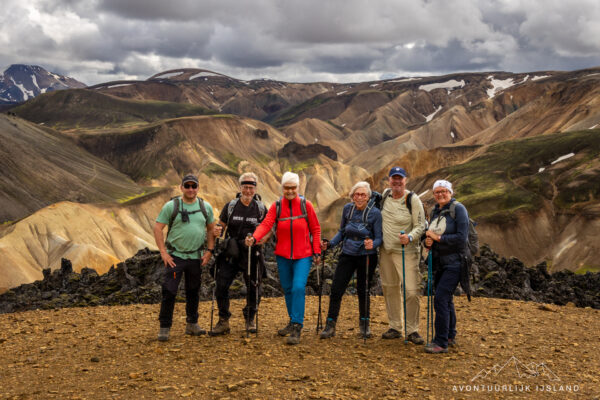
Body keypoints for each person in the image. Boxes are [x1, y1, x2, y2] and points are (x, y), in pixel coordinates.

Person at [246, 172, 321, 345]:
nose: (290, 191)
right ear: (282, 188)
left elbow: (315, 229)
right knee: (287, 288)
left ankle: (297, 325)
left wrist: (316, 251)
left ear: (298, 188)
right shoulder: (277, 206)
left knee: (297, 287)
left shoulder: (305, 205)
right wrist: (255, 238)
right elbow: (266, 224)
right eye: (287, 188)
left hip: (303, 255)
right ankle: (292, 320)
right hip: (283, 255)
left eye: (293, 188)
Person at [153, 174, 215, 341]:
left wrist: (209, 250)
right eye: (187, 186)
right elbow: (158, 228)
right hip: (175, 257)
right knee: (169, 290)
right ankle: (165, 327)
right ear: (181, 187)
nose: (190, 189)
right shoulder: (171, 206)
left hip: (196, 257)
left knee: (193, 291)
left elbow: (211, 229)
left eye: (193, 186)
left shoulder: (205, 207)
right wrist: (163, 252)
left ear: (197, 188)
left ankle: (192, 324)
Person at [320, 181, 382, 339]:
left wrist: (372, 244)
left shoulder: (375, 213)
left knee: (364, 290)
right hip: (347, 253)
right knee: (336, 289)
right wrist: (330, 244)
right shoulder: (348, 209)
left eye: (363, 195)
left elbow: (380, 238)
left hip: (366, 256)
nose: (359, 197)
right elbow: (342, 231)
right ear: (352, 196)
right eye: (356, 194)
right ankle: (330, 325)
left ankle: (365, 325)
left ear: (368, 197)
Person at [210, 172, 269, 336]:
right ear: (240, 187)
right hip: (232, 250)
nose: (248, 190)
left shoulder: (261, 208)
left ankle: (250, 318)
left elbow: (268, 229)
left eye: (251, 187)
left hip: (252, 251)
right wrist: (217, 230)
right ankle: (223, 320)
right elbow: (221, 225)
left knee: (255, 287)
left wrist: (259, 239)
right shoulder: (231, 206)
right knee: (221, 285)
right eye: (245, 187)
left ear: (255, 188)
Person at [379, 167, 427, 343]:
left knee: (411, 290)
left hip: (407, 252)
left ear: (405, 180)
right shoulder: (385, 195)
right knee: (390, 287)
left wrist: (410, 237)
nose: (397, 182)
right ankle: (395, 326)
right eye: (394, 178)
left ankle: (412, 329)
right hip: (386, 251)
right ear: (389, 180)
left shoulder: (412, 200)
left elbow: (421, 225)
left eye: (400, 178)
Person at [424, 180, 469, 354]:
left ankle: (441, 342)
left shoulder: (459, 209)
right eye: (437, 192)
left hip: (456, 262)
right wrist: (428, 241)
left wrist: (438, 239)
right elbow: (432, 234)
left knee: (441, 298)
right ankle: (450, 335)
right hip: (440, 262)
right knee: (447, 299)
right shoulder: (436, 211)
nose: (440, 194)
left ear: (450, 192)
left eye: (444, 191)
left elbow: (461, 238)